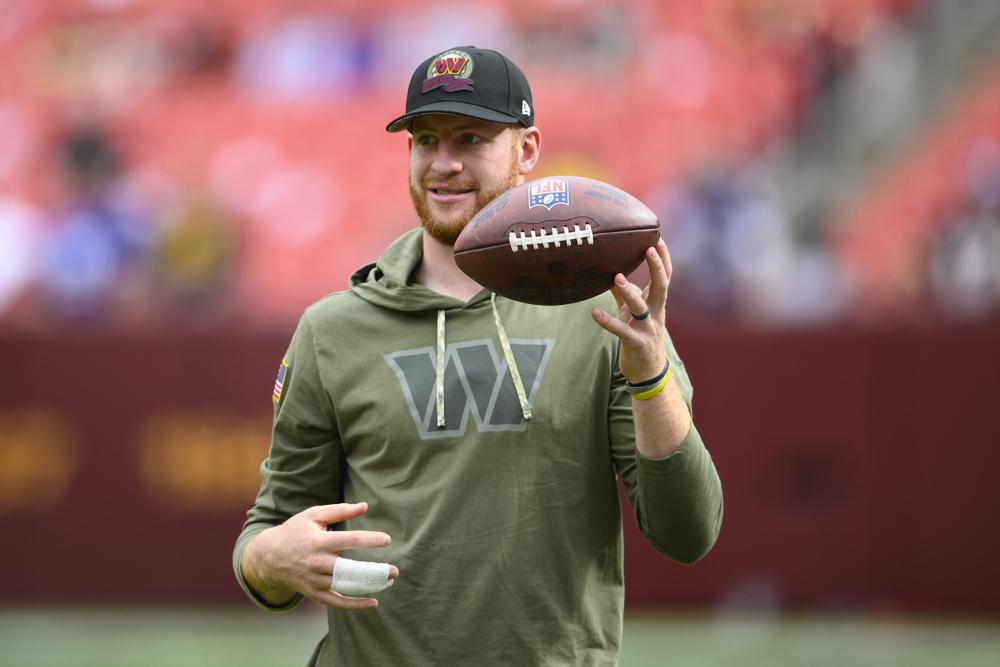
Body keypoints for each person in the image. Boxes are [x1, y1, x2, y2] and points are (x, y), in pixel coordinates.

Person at [234, 46, 723, 666]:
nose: (444, 164)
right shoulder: (333, 330)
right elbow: (267, 538)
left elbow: (689, 532)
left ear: (527, 151)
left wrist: (651, 377)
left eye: (470, 138)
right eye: (425, 140)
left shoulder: (604, 312)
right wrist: (267, 559)